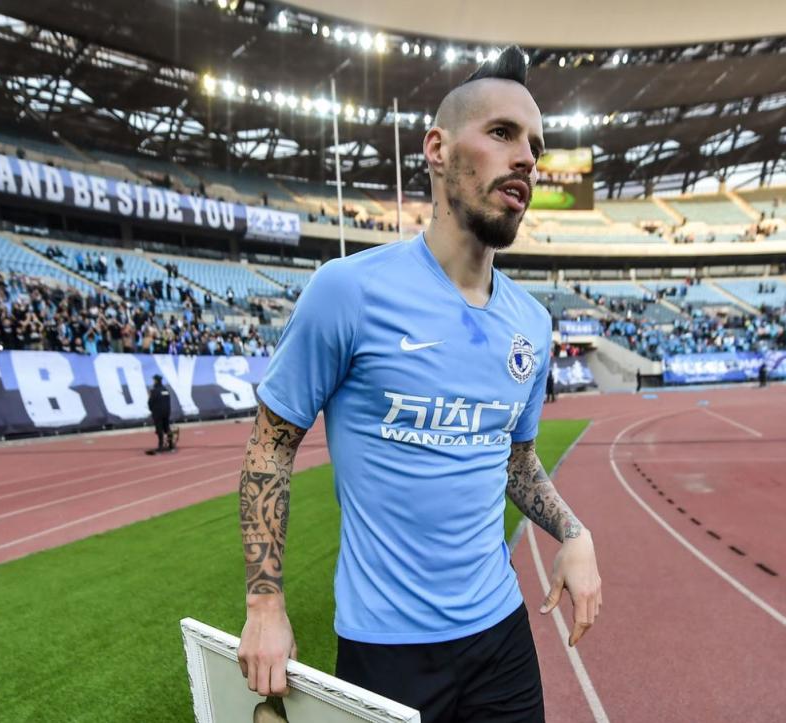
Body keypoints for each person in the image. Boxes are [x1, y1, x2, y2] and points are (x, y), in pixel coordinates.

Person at [236, 46, 601, 723]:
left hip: (502, 635)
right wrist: (265, 604)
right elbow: (269, 448)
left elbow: (515, 459)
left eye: (535, 145)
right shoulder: (348, 291)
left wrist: (573, 533)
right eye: (502, 133)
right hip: (386, 650)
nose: (527, 158)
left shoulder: (531, 322)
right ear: (437, 149)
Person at [147, 374, 175, 453]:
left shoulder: (154, 391)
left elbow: (150, 402)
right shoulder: (165, 390)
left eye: (153, 380)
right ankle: (171, 445)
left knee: (159, 429)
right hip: (166, 412)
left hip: (158, 412)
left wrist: (152, 410)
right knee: (167, 428)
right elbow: (168, 401)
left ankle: (160, 445)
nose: (153, 382)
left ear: (156, 381)